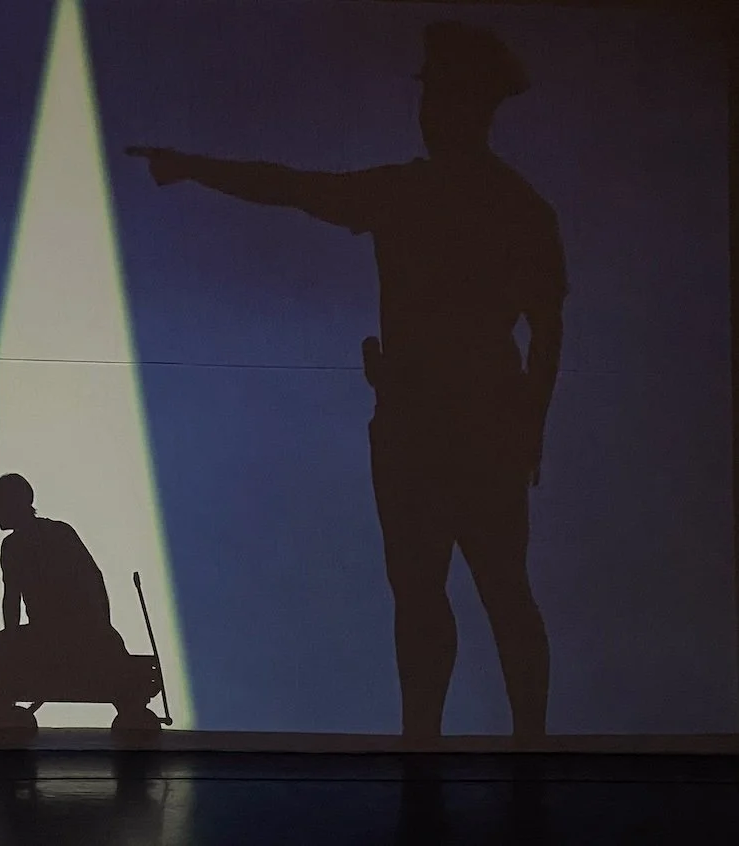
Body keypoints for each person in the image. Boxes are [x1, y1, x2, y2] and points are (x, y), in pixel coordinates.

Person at [129, 21, 566, 742]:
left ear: (467, 105)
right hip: (445, 421)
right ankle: (490, 742)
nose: (426, 113)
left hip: (433, 423)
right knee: (471, 592)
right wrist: (529, 423)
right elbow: (546, 330)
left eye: (439, 97)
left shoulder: (442, 199)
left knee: (454, 594)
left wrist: (190, 166)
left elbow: (294, 189)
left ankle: (446, 741)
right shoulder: (509, 205)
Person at [0, 474, 140, 723]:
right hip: (82, 631)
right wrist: (102, 628)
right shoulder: (58, 532)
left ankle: (1, 716)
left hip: (59, 635)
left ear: (13, 504)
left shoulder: (15, 546)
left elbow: (12, 599)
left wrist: (10, 643)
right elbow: (95, 582)